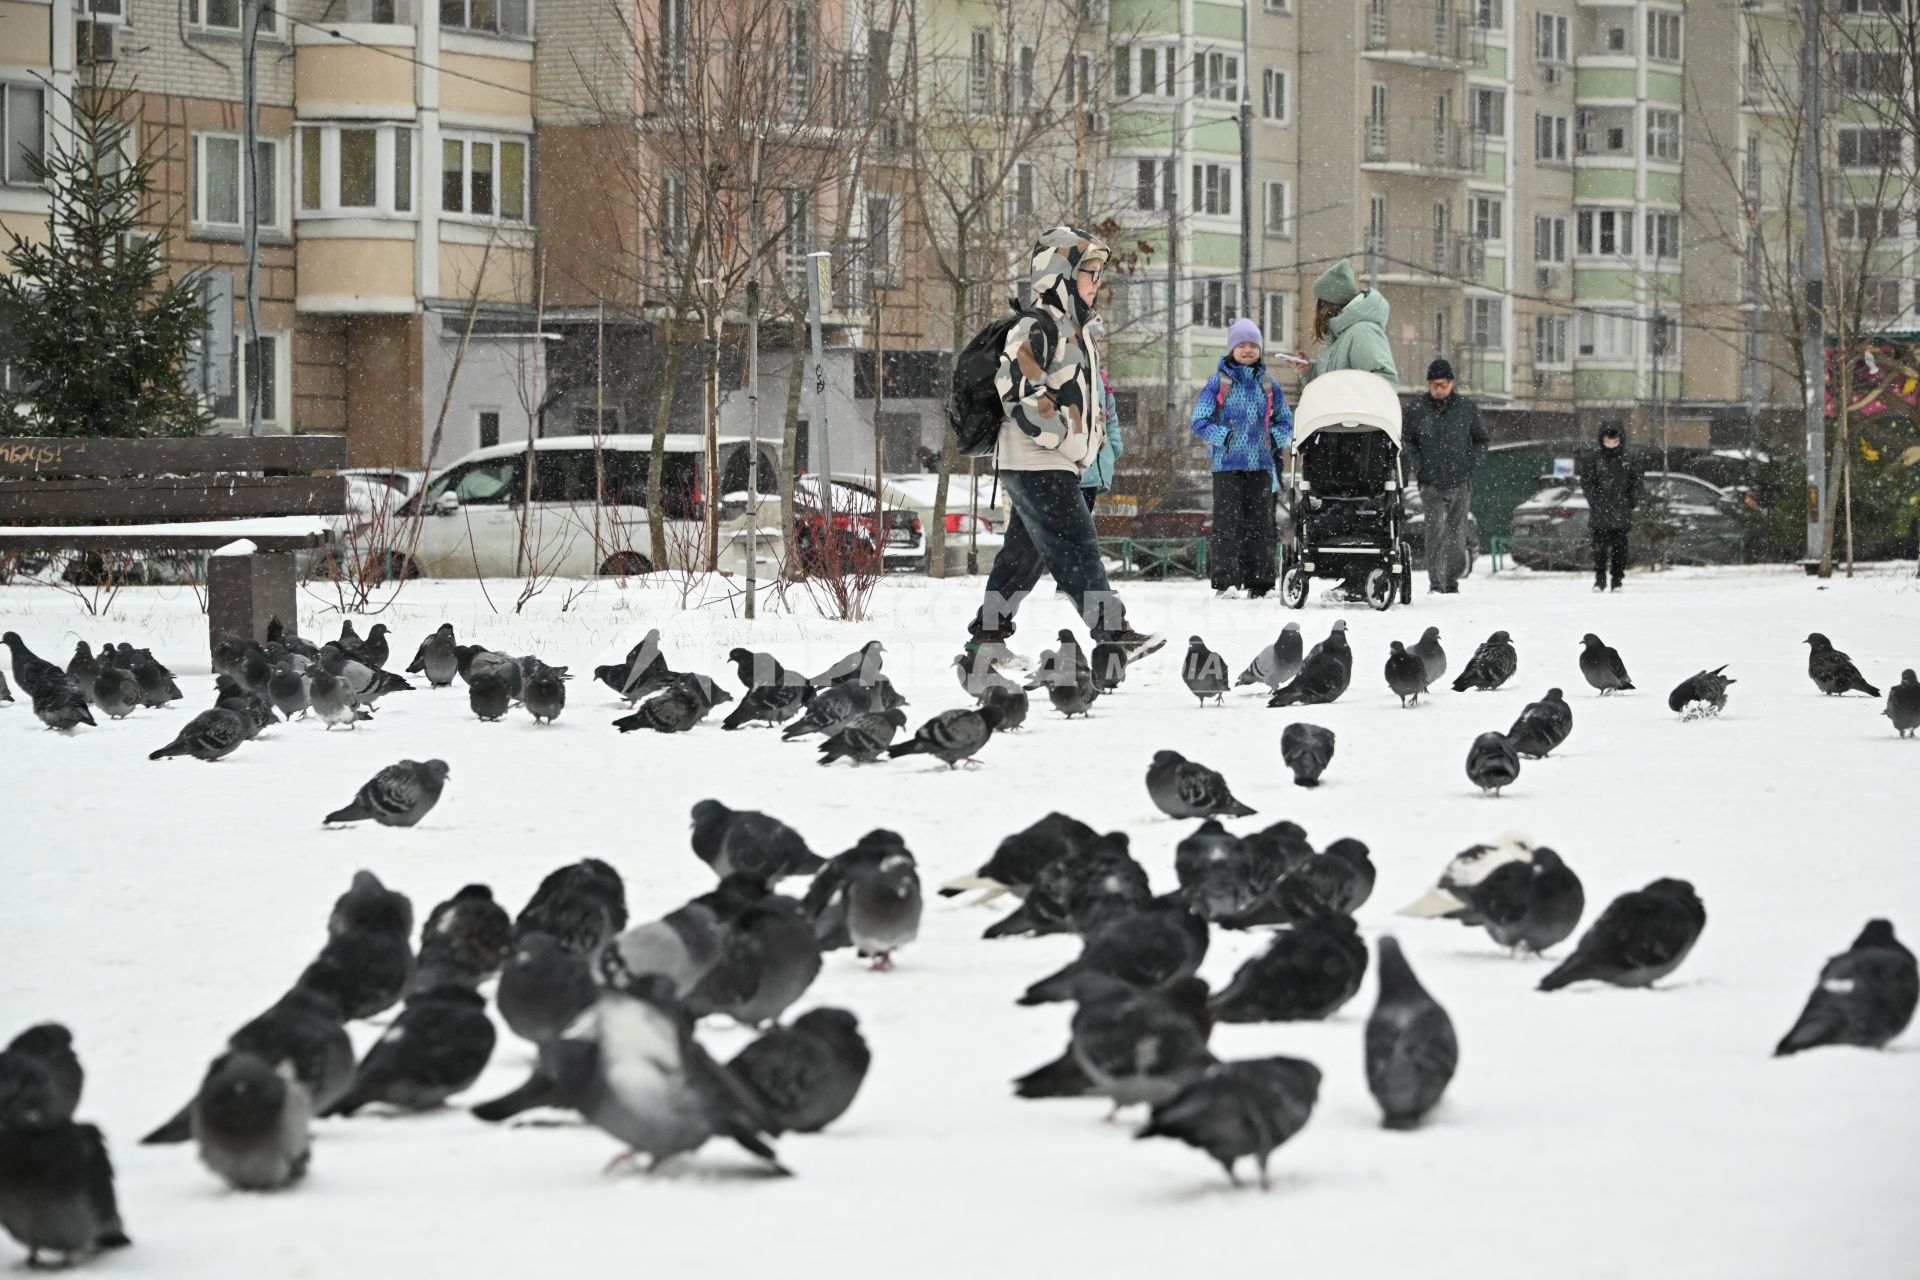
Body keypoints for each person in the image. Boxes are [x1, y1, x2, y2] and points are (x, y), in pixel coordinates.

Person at [965, 226, 1162, 665]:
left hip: (1050, 461)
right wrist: (1062, 436)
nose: (1097, 282)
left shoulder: (1076, 329)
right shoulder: (1037, 325)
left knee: (1024, 555)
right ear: (1061, 275)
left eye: (1098, 273)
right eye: (1089, 272)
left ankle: (987, 637)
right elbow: (1017, 389)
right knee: (1077, 546)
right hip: (1038, 458)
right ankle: (1113, 630)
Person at [1191, 317, 1294, 599]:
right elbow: (1199, 420)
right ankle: (1225, 582)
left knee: (1261, 525)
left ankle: (1260, 582)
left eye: (1253, 345)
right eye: (1242, 345)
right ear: (1232, 349)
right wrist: (1223, 436)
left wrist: (1274, 438)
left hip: (1261, 465)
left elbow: (1285, 420)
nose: (1248, 350)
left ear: (1260, 349)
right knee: (1227, 524)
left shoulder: (1269, 384)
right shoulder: (1219, 382)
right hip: (1227, 466)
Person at [1401, 358, 1488, 594]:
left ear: (1451, 383)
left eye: (1443, 384)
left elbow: (1481, 439)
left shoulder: (1466, 408)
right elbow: (1407, 441)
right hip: (1430, 481)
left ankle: (1452, 581)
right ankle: (1436, 583)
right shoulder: (1416, 409)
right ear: (1429, 384)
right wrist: (1418, 466)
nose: (1439, 389)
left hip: (1460, 480)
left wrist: (1471, 465)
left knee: (1457, 533)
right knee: (1435, 533)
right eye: (1435, 385)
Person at [1300, 260, 1398, 386]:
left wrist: (1350, 401)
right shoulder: (1337, 334)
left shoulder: (1362, 332)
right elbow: (1329, 387)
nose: (1318, 312)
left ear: (1329, 303)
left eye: (1320, 303)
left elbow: (1384, 382)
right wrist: (1309, 371)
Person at [1576, 420, 1643, 592]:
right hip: (1600, 510)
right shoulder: (1594, 458)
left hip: (1621, 510)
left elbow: (1636, 481)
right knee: (1599, 548)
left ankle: (1617, 580)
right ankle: (1600, 579)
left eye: (1614, 441)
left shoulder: (1629, 458)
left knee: (1620, 548)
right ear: (1602, 440)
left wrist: (1631, 500)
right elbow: (1587, 482)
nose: (1611, 445)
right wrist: (1594, 501)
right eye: (1607, 441)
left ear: (1621, 440)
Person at [1079, 322, 1124, 514]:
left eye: (1099, 341)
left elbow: (1110, 417)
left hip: (1095, 467)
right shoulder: (1074, 374)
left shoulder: (1100, 378)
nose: (1098, 346)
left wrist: (1114, 446)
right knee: (1073, 532)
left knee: (1083, 527)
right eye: (1094, 341)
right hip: (1078, 466)